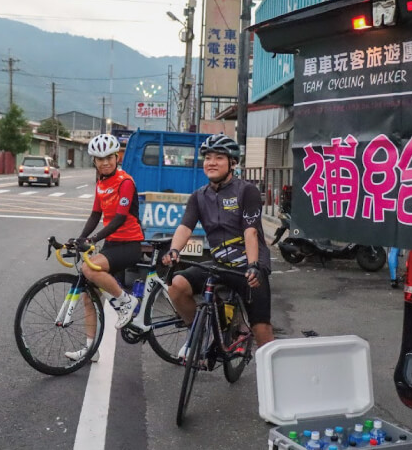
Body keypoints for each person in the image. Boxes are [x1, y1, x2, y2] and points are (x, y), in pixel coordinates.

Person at [161, 133, 275, 358]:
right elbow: (185, 227)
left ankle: (275, 376)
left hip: (248, 267)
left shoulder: (246, 191)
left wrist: (254, 265)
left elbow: (250, 231)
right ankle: (199, 331)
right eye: (208, 158)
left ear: (232, 162)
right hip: (220, 263)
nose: (211, 163)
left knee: (262, 331)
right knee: (177, 285)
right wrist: (174, 249)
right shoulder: (198, 196)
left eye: (219, 158)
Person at [64, 133, 145, 362]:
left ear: (116, 156)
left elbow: (119, 218)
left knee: (88, 270)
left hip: (129, 244)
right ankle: (91, 349)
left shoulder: (125, 182)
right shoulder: (101, 182)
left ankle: (127, 302)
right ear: (94, 161)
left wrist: (93, 240)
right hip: (112, 244)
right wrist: (79, 239)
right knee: (89, 295)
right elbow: (95, 214)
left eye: (109, 157)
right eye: (100, 159)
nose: (105, 162)